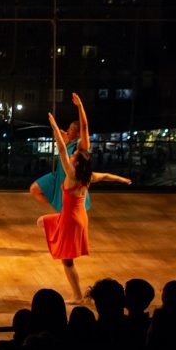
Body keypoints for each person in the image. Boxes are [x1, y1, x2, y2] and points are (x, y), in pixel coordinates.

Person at [38, 112, 131, 303]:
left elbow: (62, 151)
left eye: (74, 156)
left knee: (67, 260)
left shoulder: (72, 175)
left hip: (71, 220)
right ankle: (77, 294)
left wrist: (54, 126)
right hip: (77, 218)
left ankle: (77, 296)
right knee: (42, 221)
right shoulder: (87, 176)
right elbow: (105, 175)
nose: (71, 155)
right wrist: (122, 179)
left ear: (77, 162)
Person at [30, 92, 92, 212]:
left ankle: (63, 213)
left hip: (69, 180)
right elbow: (62, 149)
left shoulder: (81, 145)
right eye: (69, 128)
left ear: (79, 134)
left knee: (69, 208)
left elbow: (84, 127)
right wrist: (60, 137)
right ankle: (59, 211)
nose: (68, 130)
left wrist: (80, 106)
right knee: (34, 189)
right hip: (58, 176)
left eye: (71, 129)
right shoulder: (68, 141)